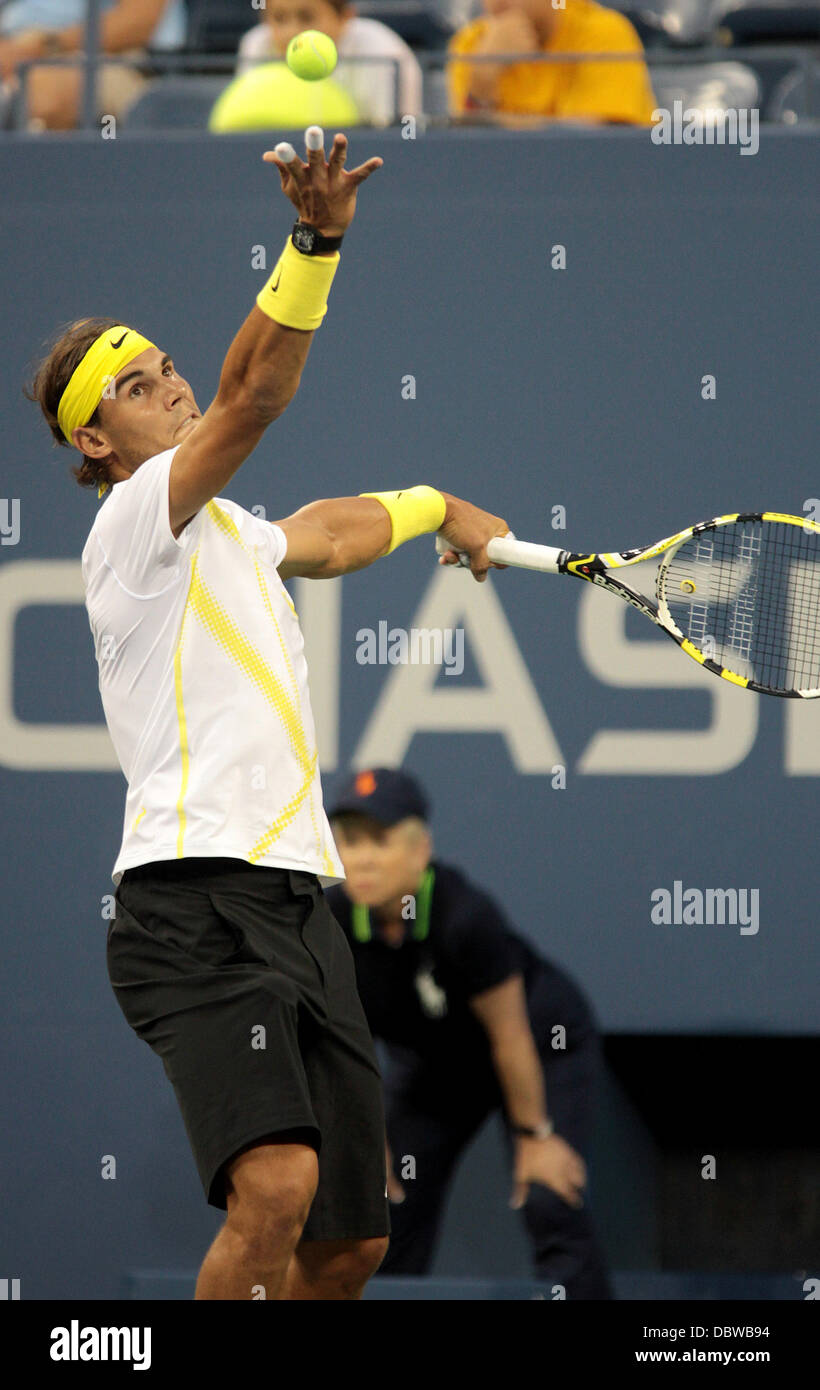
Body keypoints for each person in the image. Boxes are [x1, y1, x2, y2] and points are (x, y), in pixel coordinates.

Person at [24, 126, 514, 1300]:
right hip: (188, 907)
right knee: (277, 1191)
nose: (174, 387)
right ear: (98, 442)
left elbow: (328, 534)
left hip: (300, 908)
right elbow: (253, 393)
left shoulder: (233, 534)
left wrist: (433, 504)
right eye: (136, 391)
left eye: (165, 367)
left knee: (349, 1242)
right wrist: (315, 241)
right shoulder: (137, 519)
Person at [325, 767, 614, 1298]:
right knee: (380, 1197)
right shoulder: (333, 923)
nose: (361, 858)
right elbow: (346, 1045)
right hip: (435, 1070)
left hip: (538, 1045)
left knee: (550, 1194)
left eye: (380, 841)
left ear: (420, 849)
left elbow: (510, 1036)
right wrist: (367, 1135)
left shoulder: (465, 917)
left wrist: (535, 1137)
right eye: (349, 841)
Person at [446, 0, 657, 128]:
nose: (497, 2)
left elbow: (592, 149)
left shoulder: (605, 33)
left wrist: (500, 124)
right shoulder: (473, 45)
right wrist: (482, 79)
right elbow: (471, 161)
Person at [0, 0, 185, 132]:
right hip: (15, 48)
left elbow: (136, 23)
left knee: (41, 92)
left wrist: (44, 46)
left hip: (116, 58)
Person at [236, 0, 423, 128]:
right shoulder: (255, 44)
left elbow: (390, 136)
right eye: (279, 18)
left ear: (345, 17)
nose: (291, 33)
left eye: (307, 17)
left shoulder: (382, 50)